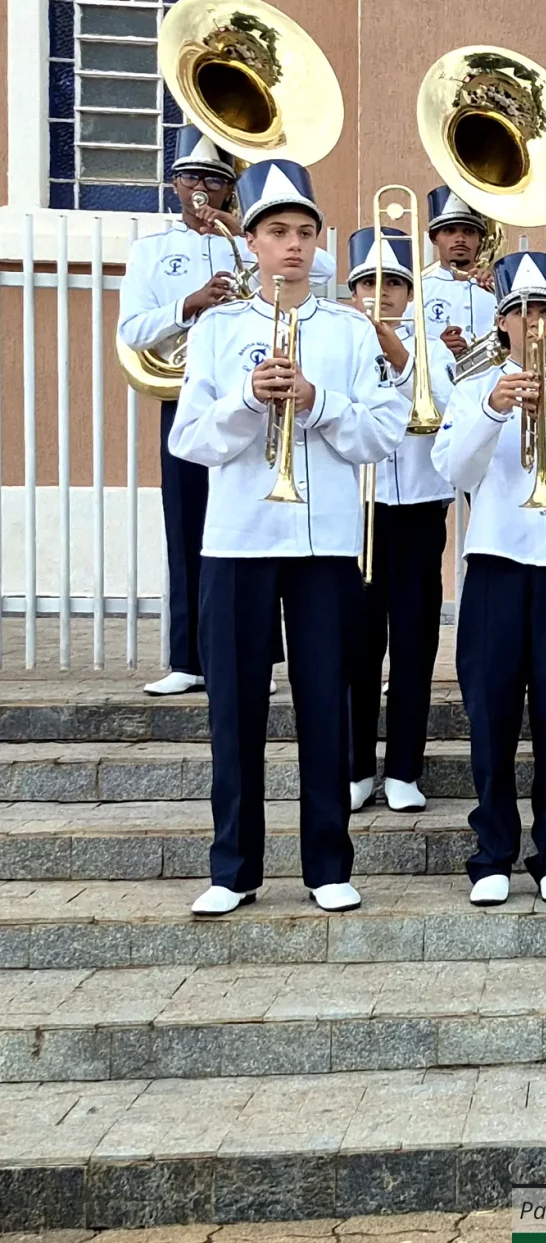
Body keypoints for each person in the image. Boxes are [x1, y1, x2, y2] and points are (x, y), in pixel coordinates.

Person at [170, 159, 410, 917]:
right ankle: (234, 868)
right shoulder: (218, 329)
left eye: (305, 231)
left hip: (325, 545)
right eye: (277, 231)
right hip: (239, 538)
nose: (294, 245)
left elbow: (383, 433)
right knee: (235, 708)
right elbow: (188, 441)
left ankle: (328, 865)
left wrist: (316, 400)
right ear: (251, 243)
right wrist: (248, 399)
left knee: (327, 704)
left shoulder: (348, 329)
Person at [117, 129, 336, 696]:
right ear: (174, 183)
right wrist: (191, 304)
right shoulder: (151, 252)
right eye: (192, 177)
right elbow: (132, 330)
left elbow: (324, 269)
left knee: (258, 527)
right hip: (197, 397)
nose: (203, 188)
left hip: (268, 392)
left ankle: (256, 656)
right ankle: (188, 658)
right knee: (189, 524)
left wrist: (250, 233)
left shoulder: (247, 238)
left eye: (215, 179)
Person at [432, 253, 546, 907]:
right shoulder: (472, 389)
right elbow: (454, 472)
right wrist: (491, 409)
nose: (532, 322)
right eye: (520, 312)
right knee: (490, 713)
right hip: (495, 564)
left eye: (544, 311)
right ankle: (492, 854)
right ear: (502, 323)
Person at [342, 226, 455, 814]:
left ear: (410, 294)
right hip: (357, 507)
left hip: (418, 510)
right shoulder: (337, 341)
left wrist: (404, 358)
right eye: (369, 283)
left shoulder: (434, 348)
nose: (381, 293)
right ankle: (357, 767)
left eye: (393, 285)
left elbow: (453, 411)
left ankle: (405, 769)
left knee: (414, 640)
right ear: (354, 290)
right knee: (358, 643)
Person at [419, 186, 498, 363]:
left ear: (480, 239)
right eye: (449, 231)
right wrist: (437, 347)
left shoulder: (497, 289)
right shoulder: (418, 291)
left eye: (469, 232)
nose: (460, 239)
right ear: (434, 238)